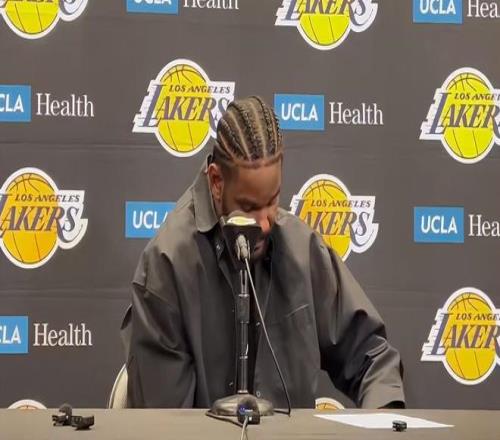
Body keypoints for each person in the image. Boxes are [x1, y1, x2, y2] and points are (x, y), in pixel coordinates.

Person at [121, 96, 405, 409]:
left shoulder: (301, 250)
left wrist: (383, 417)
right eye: (249, 207)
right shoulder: (166, 265)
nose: (266, 223)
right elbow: (165, 422)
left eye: (272, 201)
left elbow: (372, 357)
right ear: (216, 181)